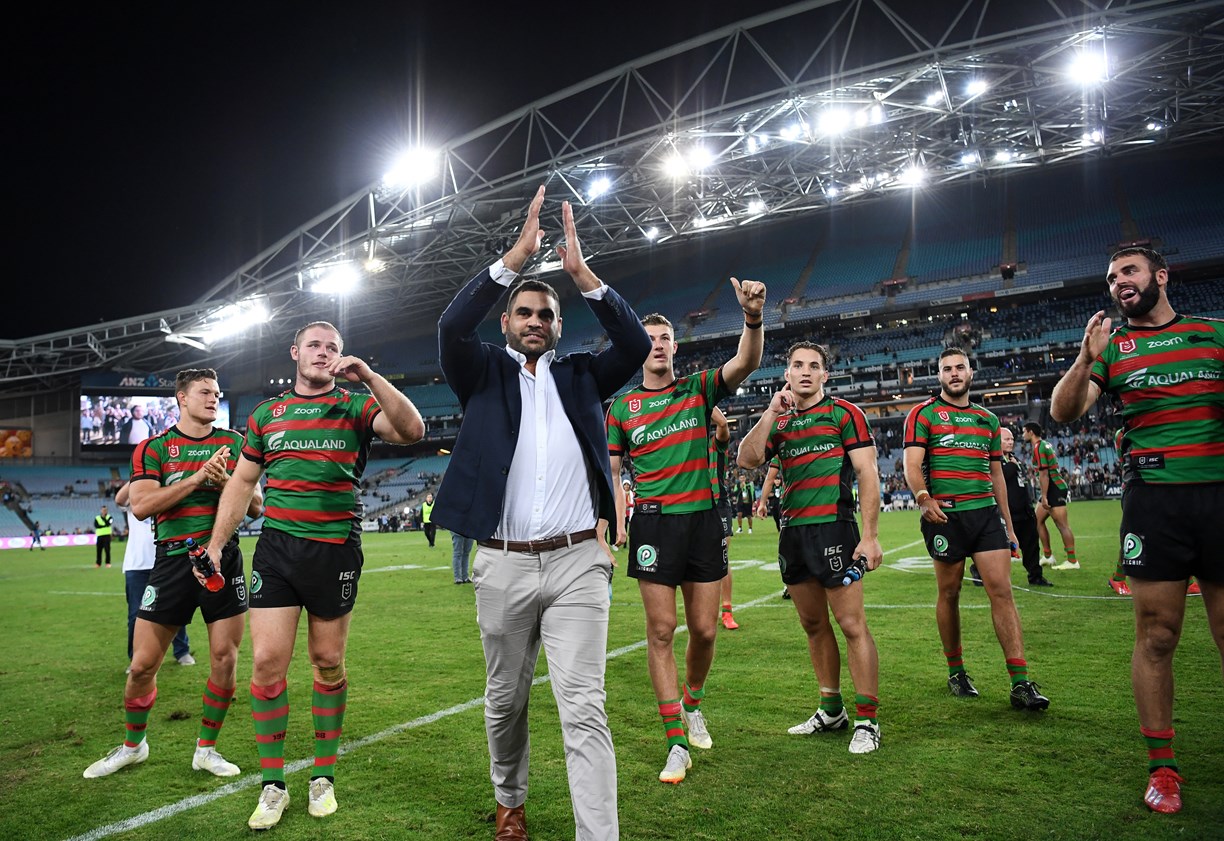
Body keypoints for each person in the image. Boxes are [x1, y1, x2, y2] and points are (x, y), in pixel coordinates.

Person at [433, 185, 649, 841]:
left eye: (545, 314)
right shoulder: (481, 372)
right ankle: (510, 801)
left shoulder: (583, 376)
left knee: (584, 706)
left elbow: (635, 343)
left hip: (578, 560)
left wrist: (581, 274)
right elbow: (450, 327)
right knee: (506, 702)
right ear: (506, 321)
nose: (534, 320)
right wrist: (514, 259)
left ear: (559, 325)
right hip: (502, 563)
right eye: (523, 311)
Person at [207, 322, 425, 830]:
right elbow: (242, 483)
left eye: (332, 347)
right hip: (277, 551)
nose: (323, 353)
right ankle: (273, 785)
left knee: (327, 662)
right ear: (295, 353)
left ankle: (322, 776)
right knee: (266, 664)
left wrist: (369, 376)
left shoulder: (356, 406)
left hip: (335, 551)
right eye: (314, 345)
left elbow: (413, 431)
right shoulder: (266, 415)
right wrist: (216, 545)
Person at [1049, 246, 1223, 815]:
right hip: (1153, 505)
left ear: (1160, 276)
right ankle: (1162, 768)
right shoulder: (1113, 349)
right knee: (1157, 635)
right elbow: (1063, 412)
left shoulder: (1213, 334)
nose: (1118, 281)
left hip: (1219, 498)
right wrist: (1084, 358)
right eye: (1111, 277)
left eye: (1129, 271)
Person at [607, 276, 766, 784]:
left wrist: (752, 317)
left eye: (664, 338)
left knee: (704, 629)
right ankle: (675, 741)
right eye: (648, 338)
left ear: (675, 347)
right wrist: (613, 523)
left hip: (701, 522)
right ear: (638, 348)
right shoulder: (621, 409)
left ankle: (692, 703)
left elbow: (746, 362)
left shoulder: (698, 389)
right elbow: (612, 472)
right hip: (653, 525)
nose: (657, 344)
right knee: (660, 631)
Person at [83, 368, 260, 780]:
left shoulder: (235, 444)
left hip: (224, 559)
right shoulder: (154, 448)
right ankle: (133, 746)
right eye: (205, 392)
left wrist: (226, 481)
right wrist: (198, 478)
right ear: (182, 398)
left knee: (225, 659)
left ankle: (206, 749)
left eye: (217, 392)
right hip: (171, 563)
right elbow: (142, 506)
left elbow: (255, 506)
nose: (214, 398)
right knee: (142, 665)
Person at [738, 342, 884, 753]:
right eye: (798, 365)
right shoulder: (779, 421)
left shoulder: (844, 414)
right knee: (813, 625)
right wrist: (770, 412)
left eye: (814, 366)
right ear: (787, 373)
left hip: (835, 530)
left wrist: (870, 536)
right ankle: (831, 710)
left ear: (824, 375)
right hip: (793, 534)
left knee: (852, 624)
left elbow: (867, 473)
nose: (805, 371)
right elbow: (746, 459)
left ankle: (868, 720)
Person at [903, 347, 1050, 712]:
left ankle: (1020, 682)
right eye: (947, 369)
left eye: (960, 367)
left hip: (985, 515)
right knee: (949, 592)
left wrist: (1010, 527)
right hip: (945, 517)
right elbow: (911, 464)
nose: (954, 373)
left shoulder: (988, 420)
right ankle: (956, 671)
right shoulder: (923, 414)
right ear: (939, 376)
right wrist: (923, 497)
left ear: (971, 373)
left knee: (1002, 591)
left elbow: (997, 475)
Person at [114, 482, 192, 668]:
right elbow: (119, 499)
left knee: (175, 608)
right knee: (135, 614)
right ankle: (136, 658)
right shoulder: (136, 499)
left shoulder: (167, 495)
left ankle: (182, 651)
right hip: (137, 565)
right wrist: (137, 475)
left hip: (166, 561)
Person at [1000, 427, 1053, 588]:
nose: (1011, 442)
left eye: (1012, 439)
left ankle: (1036, 576)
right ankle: (979, 572)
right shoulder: (993, 461)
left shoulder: (1015, 459)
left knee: (1031, 547)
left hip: (1024, 512)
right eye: (1006, 439)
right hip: (1007, 514)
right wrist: (1011, 466)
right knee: (998, 548)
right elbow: (1000, 477)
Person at [1022, 422, 1079, 570]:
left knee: (1062, 525)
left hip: (1053, 488)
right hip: (1053, 487)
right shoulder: (1045, 444)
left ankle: (1072, 561)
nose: (1022, 435)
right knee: (1037, 521)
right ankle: (1048, 556)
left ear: (1031, 432)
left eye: (1024, 432)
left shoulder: (1038, 447)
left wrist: (1044, 496)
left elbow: (1044, 474)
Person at [708, 408, 738, 630]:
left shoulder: (715, 443)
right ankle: (705, 611)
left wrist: (698, 397)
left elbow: (722, 423)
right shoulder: (686, 445)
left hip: (718, 505)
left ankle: (727, 611)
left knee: (722, 557)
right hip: (694, 507)